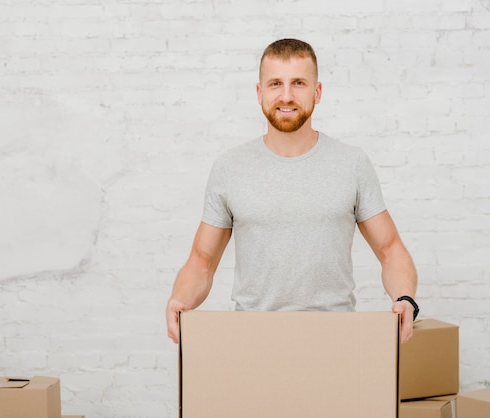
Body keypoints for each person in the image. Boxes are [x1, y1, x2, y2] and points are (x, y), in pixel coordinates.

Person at [166, 38, 418, 344]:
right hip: (253, 342)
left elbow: (390, 249)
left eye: (298, 83)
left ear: (317, 91)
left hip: (336, 341)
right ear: (259, 93)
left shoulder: (352, 163)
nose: (286, 96)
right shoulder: (229, 168)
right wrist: (179, 301)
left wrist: (405, 299)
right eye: (275, 84)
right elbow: (201, 261)